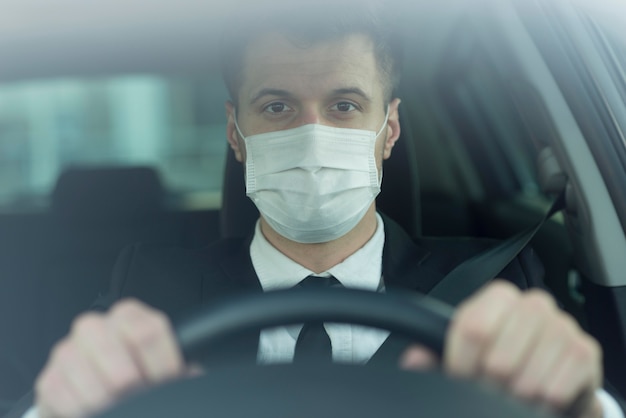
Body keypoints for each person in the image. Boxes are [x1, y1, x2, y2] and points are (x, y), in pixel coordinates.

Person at [14, 2, 624, 418]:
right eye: (277, 107)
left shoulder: (491, 287)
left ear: (389, 131)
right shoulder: (147, 287)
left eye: (344, 106)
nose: (311, 136)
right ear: (235, 132)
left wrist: (585, 406)